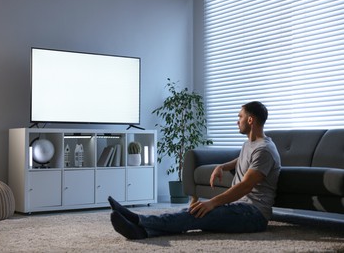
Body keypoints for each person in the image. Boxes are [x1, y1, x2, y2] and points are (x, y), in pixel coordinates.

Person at [108, 101, 281, 239]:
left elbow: (245, 186)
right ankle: (142, 231)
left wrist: (212, 202)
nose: (237, 121)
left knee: (198, 213)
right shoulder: (250, 144)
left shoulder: (264, 150)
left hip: (253, 215)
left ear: (250, 120)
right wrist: (222, 166)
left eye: (240, 116)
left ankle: (137, 219)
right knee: (193, 211)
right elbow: (242, 159)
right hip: (240, 207)